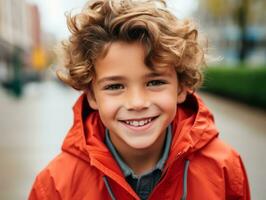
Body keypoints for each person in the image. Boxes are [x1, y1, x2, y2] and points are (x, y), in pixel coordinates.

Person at [29, 0, 250, 199]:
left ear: (181, 87)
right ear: (92, 96)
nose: (137, 102)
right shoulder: (55, 186)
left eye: (154, 82)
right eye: (115, 86)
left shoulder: (224, 169)